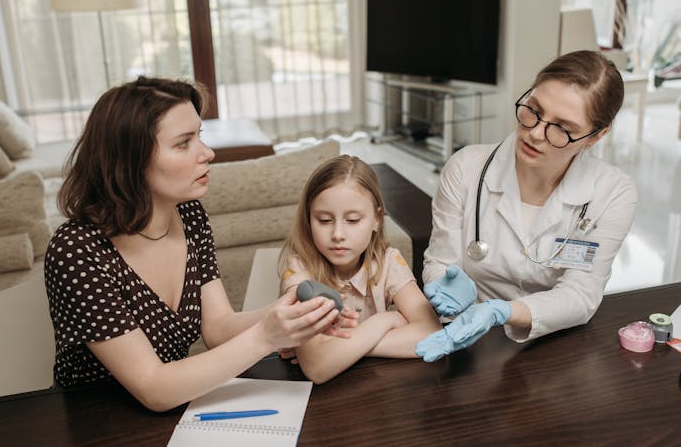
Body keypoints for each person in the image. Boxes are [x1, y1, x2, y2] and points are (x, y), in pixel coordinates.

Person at [44, 76, 357, 411]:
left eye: (200, 136)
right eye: (183, 143)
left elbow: (219, 328)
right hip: (99, 419)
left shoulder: (189, 214)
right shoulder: (76, 252)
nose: (208, 153)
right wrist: (265, 337)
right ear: (130, 161)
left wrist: (292, 314)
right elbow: (153, 387)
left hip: (178, 410)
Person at [416, 50, 638, 362]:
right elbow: (440, 263)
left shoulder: (612, 193)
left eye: (562, 129)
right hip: (464, 337)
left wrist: (501, 312)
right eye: (533, 110)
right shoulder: (466, 167)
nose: (534, 133)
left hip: (551, 346)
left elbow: (580, 296)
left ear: (596, 136)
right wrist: (448, 293)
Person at [278, 155, 442, 383]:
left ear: (376, 218)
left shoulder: (389, 261)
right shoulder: (299, 268)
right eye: (324, 220)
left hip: (372, 389)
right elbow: (317, 367)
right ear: (308, 219)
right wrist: (386, 321)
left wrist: (341, 348)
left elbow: (432, 334)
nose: (337, 234)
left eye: (353, 220)